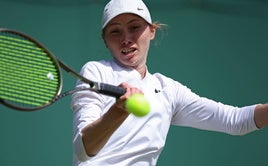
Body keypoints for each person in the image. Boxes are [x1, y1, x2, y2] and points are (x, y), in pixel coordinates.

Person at [71, 0, 268, 165]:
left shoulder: (168, 90)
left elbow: (236, 121)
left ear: (152, 31)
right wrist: (119, 111)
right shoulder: (96, 72)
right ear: (105, 40)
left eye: (134, 27)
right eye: (115, 31)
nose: (126, 38)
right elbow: (84, 149)